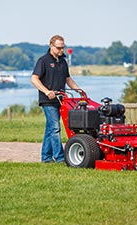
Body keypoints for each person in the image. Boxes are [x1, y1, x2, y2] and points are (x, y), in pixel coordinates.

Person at [31, 35, 81, 163]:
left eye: (63, 48)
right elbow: (34, 79)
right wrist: (47, 92)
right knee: (55, 128)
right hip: (48, 100)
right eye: (58, 48)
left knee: (50, 130)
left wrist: (79, 90)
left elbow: (68, 79)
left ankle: (46, 157)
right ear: (51, 46)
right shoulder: (43, 61)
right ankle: (60, 158)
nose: (61, 51)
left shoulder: (63, 62)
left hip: (61, 99)